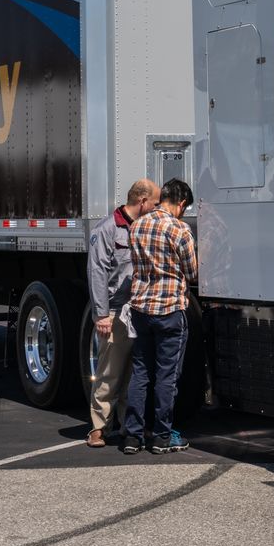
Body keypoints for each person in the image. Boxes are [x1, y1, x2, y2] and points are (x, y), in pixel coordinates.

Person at [121, 177, 198, 455]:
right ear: (181, 203)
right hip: (169, 312)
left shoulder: (137, 225)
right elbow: (192, 272)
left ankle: (132, 436)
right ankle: (162, 437)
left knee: (140, 373)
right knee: (167, 377)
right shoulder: (180, 230)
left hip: (141, 310)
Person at [84, 177, 159, 448]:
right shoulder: (107, 229)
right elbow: (97, 272)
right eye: (154, 202)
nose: (156, 207)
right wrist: (101, 314)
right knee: (109, 372)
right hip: (115, 312)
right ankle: (98, 428)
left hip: (139, 309)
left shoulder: (144, 227)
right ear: (142, 201)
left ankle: (130, 427)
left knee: (134, 375)